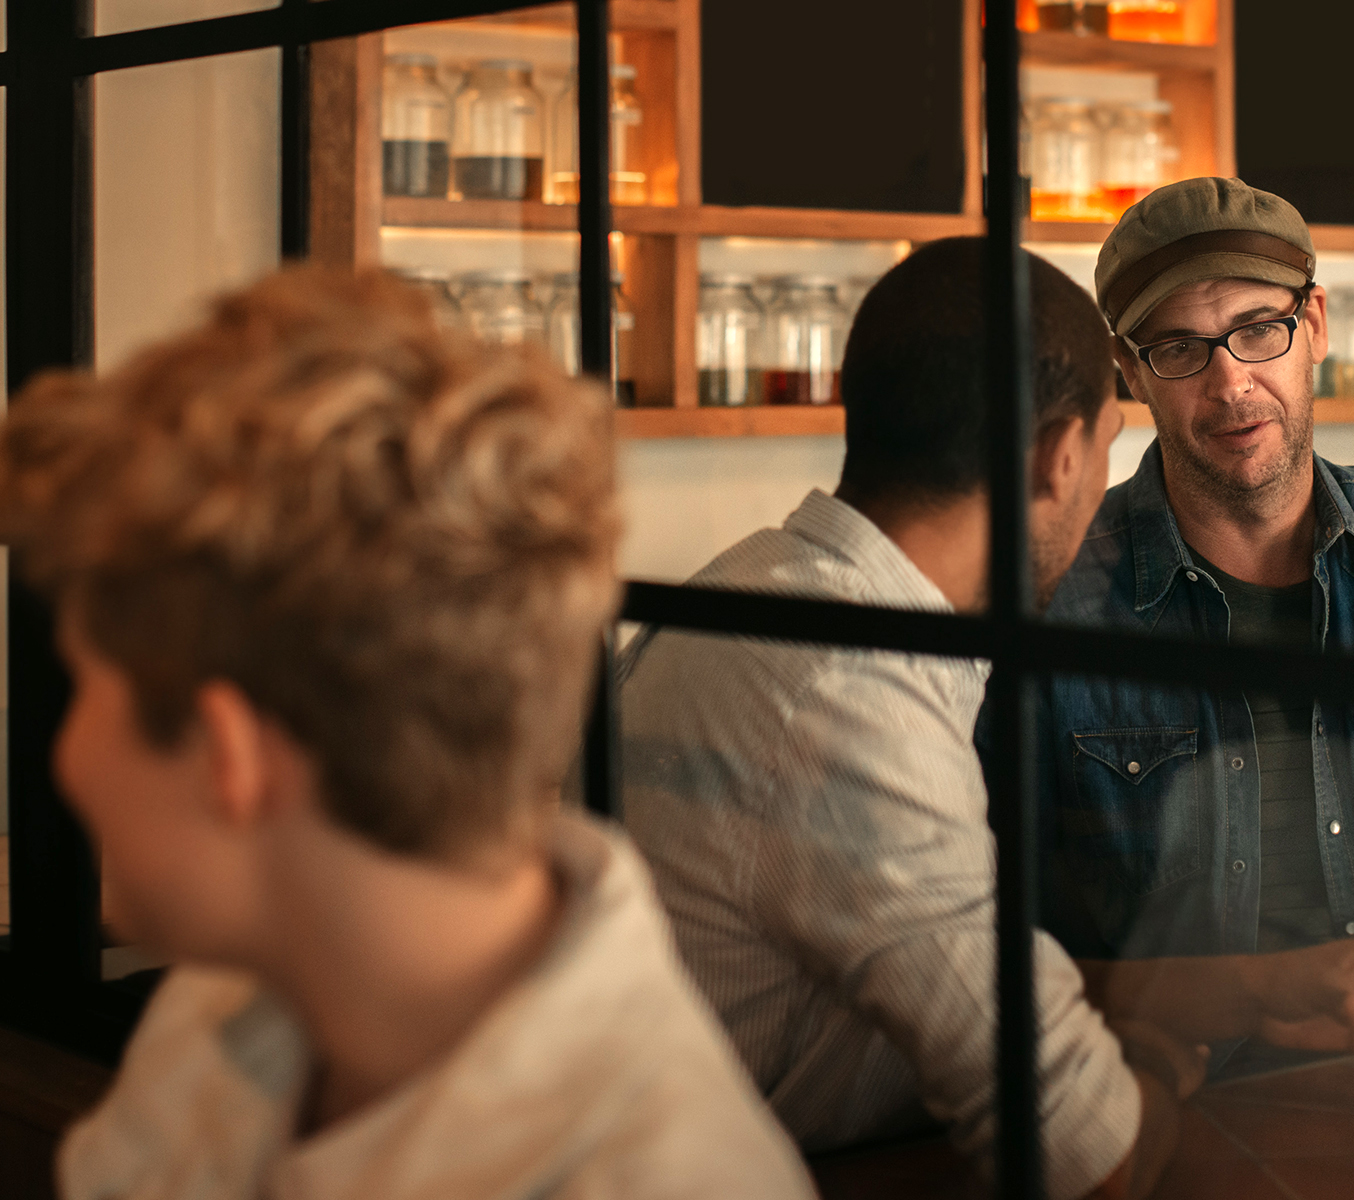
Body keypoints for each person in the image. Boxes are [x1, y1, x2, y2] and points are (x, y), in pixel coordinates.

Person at [615, 239, 1354, 1200]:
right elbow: (1092, 1158)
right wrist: (1152, 1072)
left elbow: (968, 967)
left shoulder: (762, 583)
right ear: (1059, 457)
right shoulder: (849, 691)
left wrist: (1253, 989)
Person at [3, 270, 814, 1199]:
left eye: (86, 690)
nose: (66, 757)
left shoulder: (656, 1178)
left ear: (228, 753)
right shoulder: (232, 1007)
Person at [1029, 177, 1354, 1051]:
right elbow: (1007, 956)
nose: (1231, 383)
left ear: (1313, 327)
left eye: (1257, 331)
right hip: (1158, 1098)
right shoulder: (1056, 599)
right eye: (1178, 349)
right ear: (1129, 371)